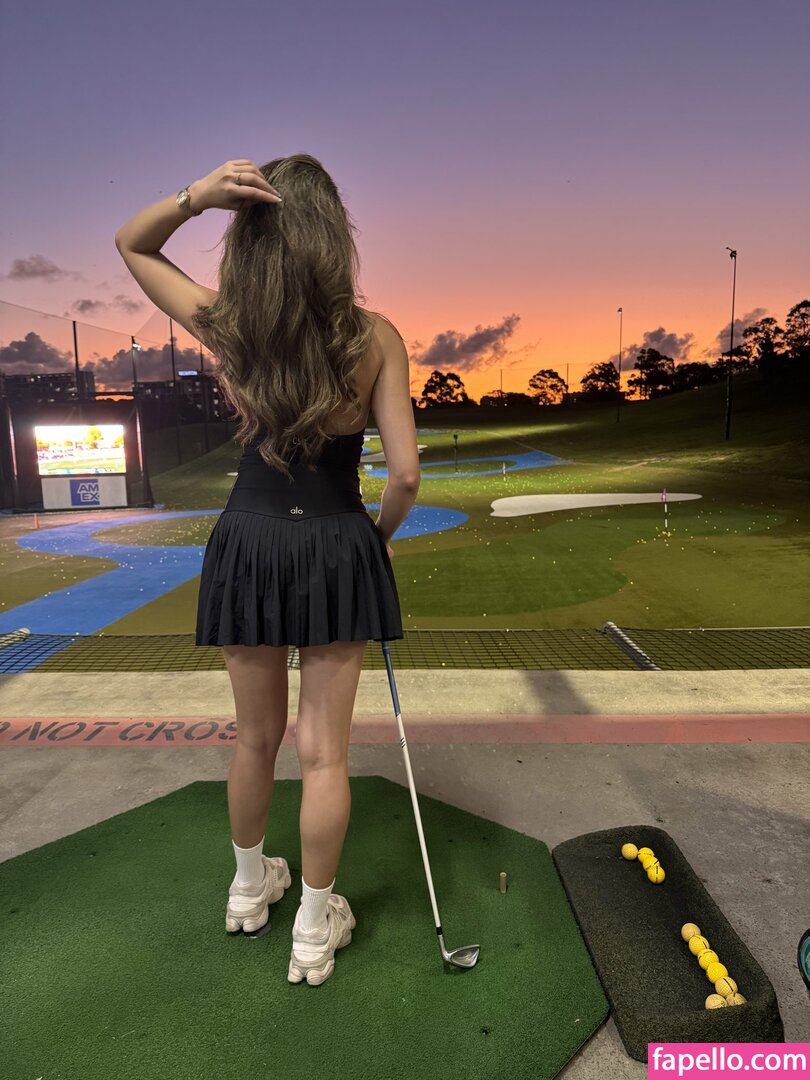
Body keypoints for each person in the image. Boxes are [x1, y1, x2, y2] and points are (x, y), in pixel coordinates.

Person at [191, 154, 420, 986]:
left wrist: (196, 197)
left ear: (252, 237)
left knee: (254, 738)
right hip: (334, 542)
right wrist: (377, 536)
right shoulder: (376, 337)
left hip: (248, 539)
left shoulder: (230, 326)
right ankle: (314, 932)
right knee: (323, 755)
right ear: (333, 236)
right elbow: (404, 476)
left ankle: (248, 890)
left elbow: (130, 245)